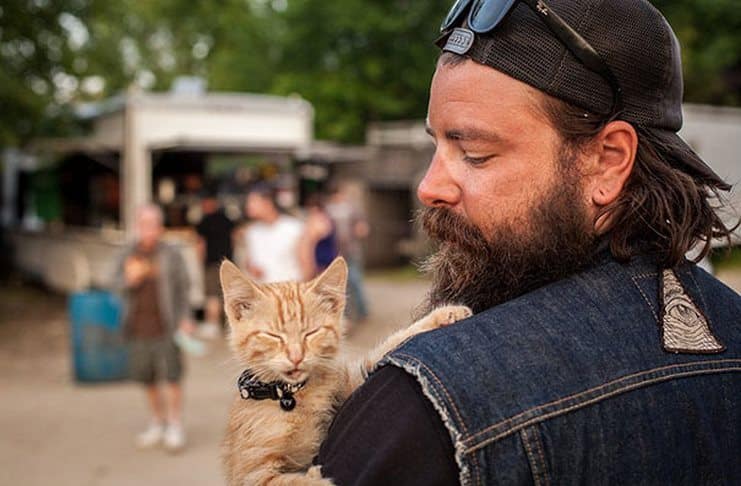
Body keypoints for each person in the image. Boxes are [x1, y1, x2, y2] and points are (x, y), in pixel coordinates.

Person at [316, 1, 741, 484]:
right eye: (438, 145)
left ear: (606, 161)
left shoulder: (431, 407)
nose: (429, 187)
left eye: (474, 154)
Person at [112, 204, 194, 452]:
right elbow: (112, 283)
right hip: (137, 325)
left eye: (153, 224)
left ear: (160, 227)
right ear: (138, 226)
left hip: (166, 325)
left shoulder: (171, 254)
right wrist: (129, 280)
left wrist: (186, 318)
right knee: (146, 377)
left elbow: (184, 287)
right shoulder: (127, 253)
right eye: (144, 224)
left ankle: (175, 424)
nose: (149, 230)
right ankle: (157, 421)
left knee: (172, 376)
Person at [326, 181, 370, 323]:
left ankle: (363, 312)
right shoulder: (327, 210)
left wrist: (361, 229)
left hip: (351, 251)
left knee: (355, 282)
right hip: (334, 253)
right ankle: (344, 316)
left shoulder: (352, 209)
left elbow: (362, 226)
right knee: (339, 286)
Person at [242, 183, 305, 283]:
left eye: (253, 201)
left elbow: (306, 264)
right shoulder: (252, 232)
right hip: (263, 291)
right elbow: (249, 261)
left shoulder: (294, 228)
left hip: (290, 291)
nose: (248, 206)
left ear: (267, 202)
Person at [195, 191, 236, 338]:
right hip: (229, 263)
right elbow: (234, 238)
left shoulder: (204, 222)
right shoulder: (226, 219)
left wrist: (200, 261)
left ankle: (212, 324)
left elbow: (200, 244)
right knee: (229, 295)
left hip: (212, 263)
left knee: (212, 295)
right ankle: (230, 325)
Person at [302, 192, 339, 279]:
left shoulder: (317, 220)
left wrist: (309, 263)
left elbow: (309, 243)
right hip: (328, 256)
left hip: (320, 259)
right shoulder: (327, 219)